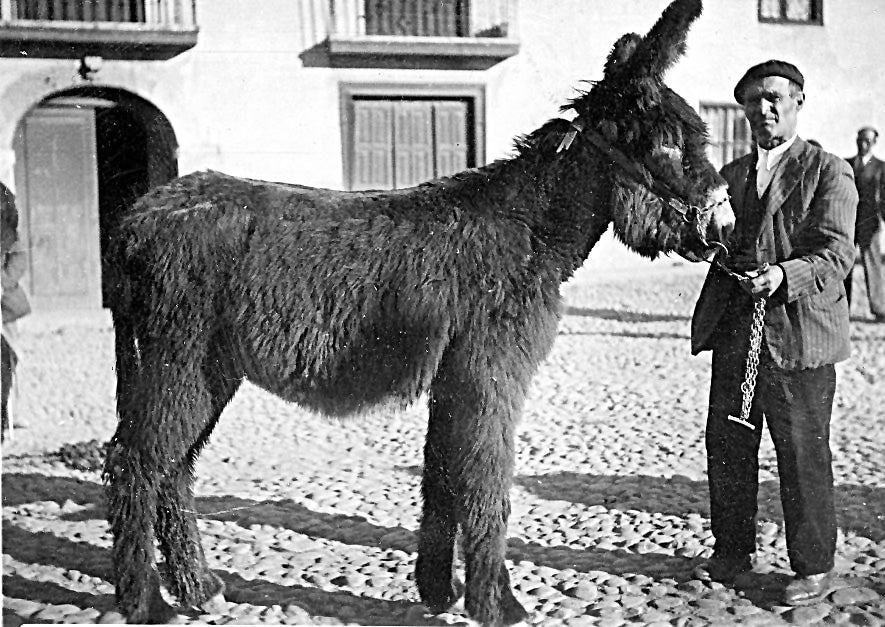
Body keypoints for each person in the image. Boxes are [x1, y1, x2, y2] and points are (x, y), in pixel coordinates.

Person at [690, 60, 858, 606]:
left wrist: (785, 275)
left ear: (798, 101)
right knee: (729, 446)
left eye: (774, 98)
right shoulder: (731, 177)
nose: (763, 109)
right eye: (752, 102)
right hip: (737, 335)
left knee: (802, 454)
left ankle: (813, 567)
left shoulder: (828, 170)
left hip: (797, 337)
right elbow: (715, 245)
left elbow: (837, 253)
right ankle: (732, 553)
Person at [844, 127, 885, 321]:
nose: (863, 144)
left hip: (870, 224)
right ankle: (843, 308)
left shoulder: (880, 167)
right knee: (844, 265)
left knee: (873, 265)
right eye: (860, 140)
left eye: (867, 141)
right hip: (848, 224)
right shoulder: (846, 164)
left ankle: (879, 308)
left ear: (874, 143)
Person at [2, 182, 31, 441]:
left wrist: (3, 282)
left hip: (2, 302)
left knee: (10, 355)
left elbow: (19, 257)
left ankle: (13, 412)